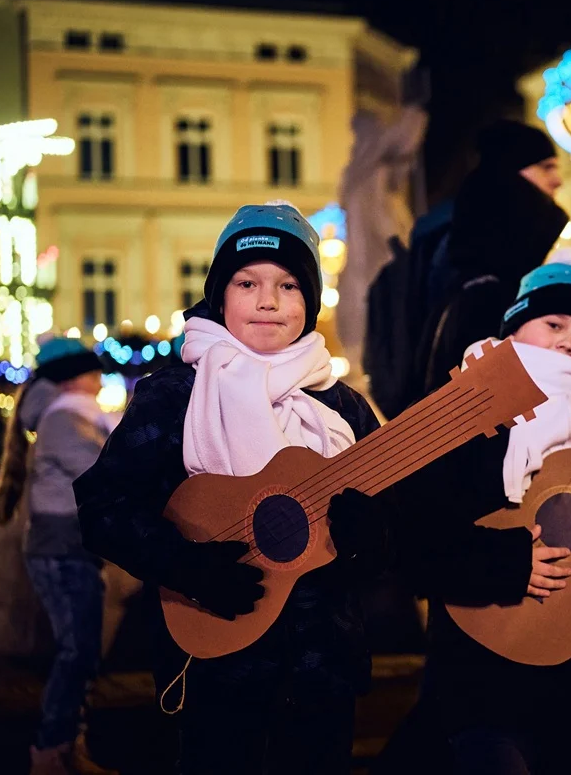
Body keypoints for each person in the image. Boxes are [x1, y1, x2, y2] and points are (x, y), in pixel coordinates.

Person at [74, 202, 390, 774]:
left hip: (323, 673)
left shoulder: (342, 407)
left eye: (289, 285)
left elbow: (393, 530)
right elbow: (104, 505)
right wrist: (185, 565)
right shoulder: (176, 395)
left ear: (310, 302)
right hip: (216, 665)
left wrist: (372, 535)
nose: (268, 301)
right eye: (248, 282)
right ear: (220, 296)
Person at [393, 249, 571, 774]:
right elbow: (415, 539)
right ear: (514, 332)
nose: (569, 340)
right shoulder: (463, 415)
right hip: (486, 678)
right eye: (552, 323)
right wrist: (508, 562)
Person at [0, 336, 118, 775]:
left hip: (67, 548)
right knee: (77, 652)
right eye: (93, 369)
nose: (100, 375)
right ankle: (51, 752)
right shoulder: (66, 418)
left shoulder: (68, 415)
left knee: (80, 652)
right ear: (76, 376)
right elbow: (100, 469)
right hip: (62, 549)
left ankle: (66, 748)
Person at [418, 119, 569, 396]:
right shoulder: (485, 292)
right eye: (546, 167)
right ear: (508, 176)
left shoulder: (480, 280)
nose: (557, 180)